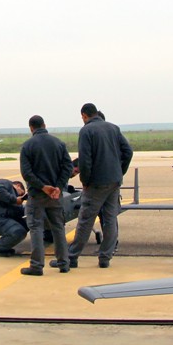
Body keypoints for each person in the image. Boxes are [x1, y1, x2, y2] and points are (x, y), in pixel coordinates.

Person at [51, 103, 132, 269]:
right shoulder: (113, 128)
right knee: (110, 219)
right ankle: (105, 257)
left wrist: (85, 181)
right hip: (114, 182)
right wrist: (120, 172)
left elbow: (85, 159)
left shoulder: (86, 131)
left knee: (85, 220)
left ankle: (71, 257)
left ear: (84, 115)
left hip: (96, 184)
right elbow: (128, 152)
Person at [19, 115, 73, 276]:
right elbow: (68, 167)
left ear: (31, 128)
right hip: (55, 195)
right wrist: (58, 187)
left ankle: (36, 265)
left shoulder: (27, 146)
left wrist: (42, 187)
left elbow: (26, 173)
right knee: (58, 227)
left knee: (36, 228)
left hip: (37, 194)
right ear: (44, 125)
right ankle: (64, 262)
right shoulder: (59, 143)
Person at [0, 179, 29, 257]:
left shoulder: (14, 200)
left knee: (30, 222)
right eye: (21, 193)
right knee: (18, 231)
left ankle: (4, 246)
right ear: (18, 186)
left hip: (4, 220)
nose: (20, 197)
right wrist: (15, 200)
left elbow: (20, 211)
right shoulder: (5, 183)